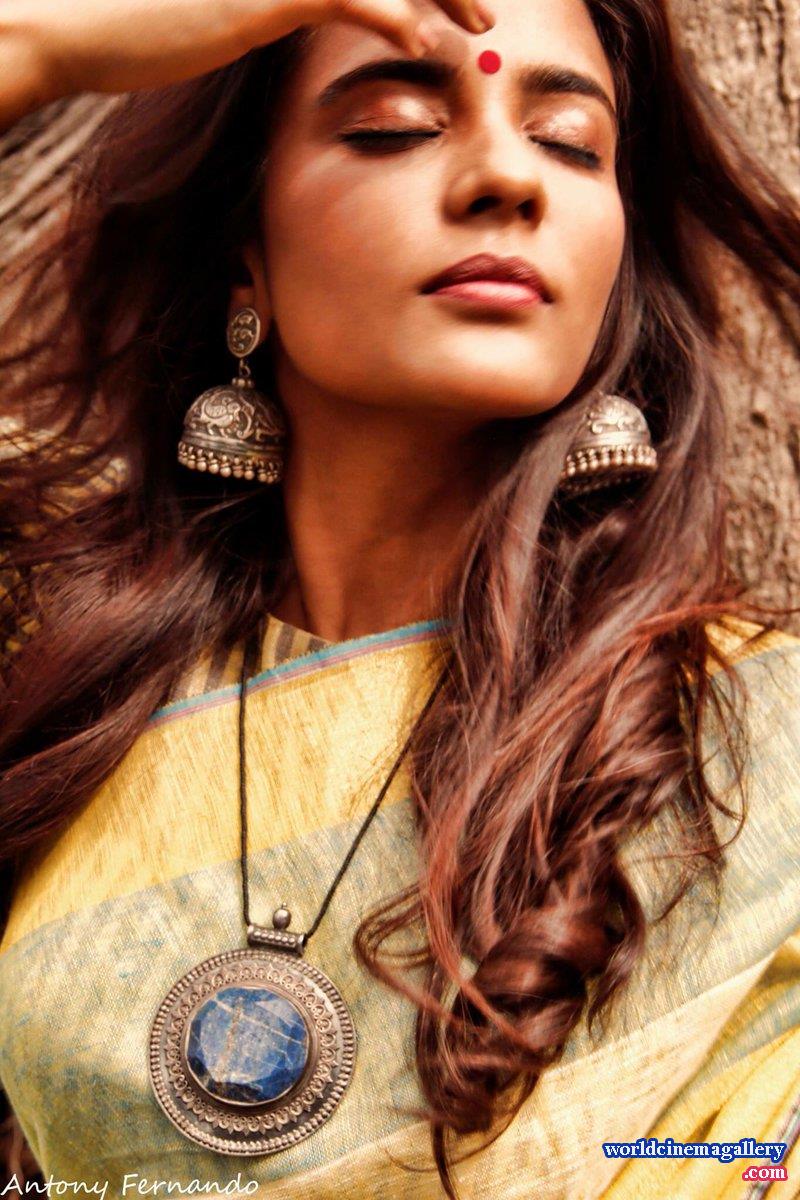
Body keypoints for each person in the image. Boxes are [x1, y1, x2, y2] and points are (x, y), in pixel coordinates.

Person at [0, 0, 799, 1196]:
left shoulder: (756, 747)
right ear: (245, 252)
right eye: (391, 126)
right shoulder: (57, 662)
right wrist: (40, 45)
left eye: (570, 144)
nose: (506, 180)